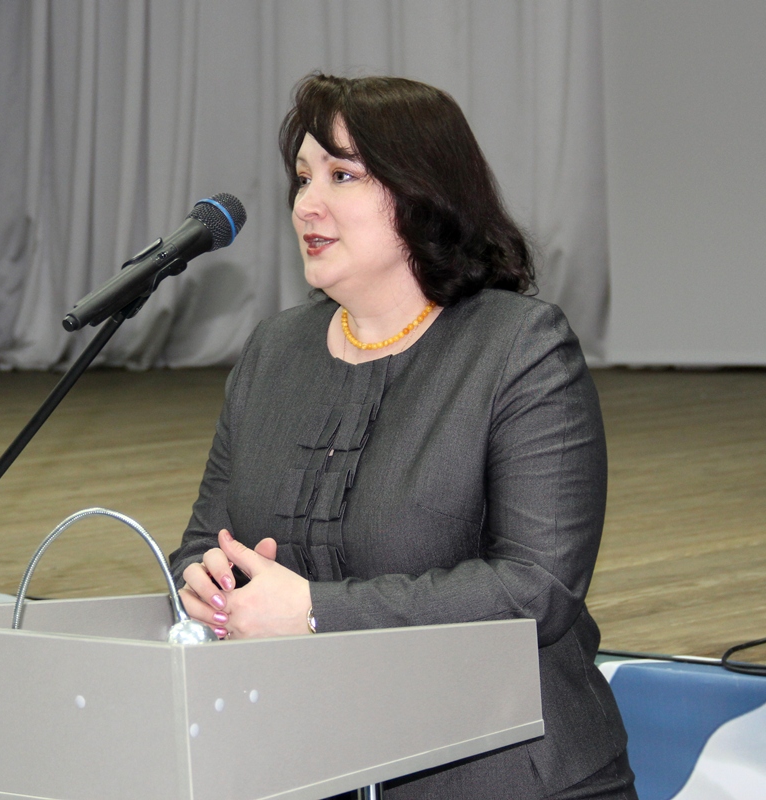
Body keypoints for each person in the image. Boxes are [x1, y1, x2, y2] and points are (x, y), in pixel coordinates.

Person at [169, 73, 635, 799]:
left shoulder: (519, 347)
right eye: (303, 178)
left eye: (343, 175)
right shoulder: (274, 351)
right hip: (312, 769)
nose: (307, 204)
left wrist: (316, 612)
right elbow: (204, 542)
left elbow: (536, 588)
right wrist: (205, 583)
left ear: (423, 192)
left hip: (507, 774)